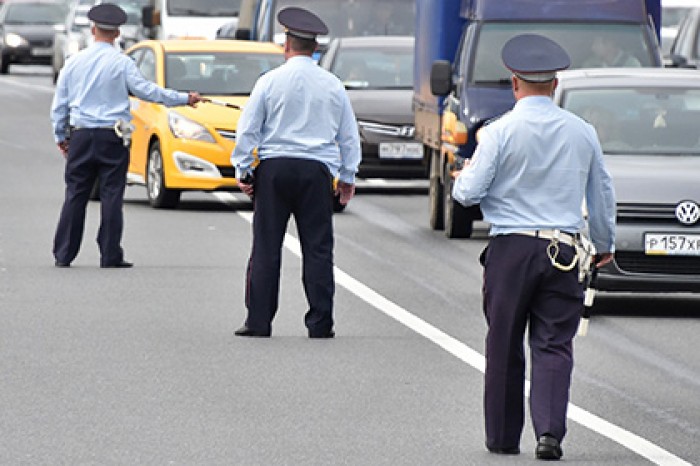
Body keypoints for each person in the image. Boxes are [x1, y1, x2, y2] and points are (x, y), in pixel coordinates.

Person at [452, 34, 616, 460]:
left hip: (510, 251)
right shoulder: (583, 132)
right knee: (553, 344)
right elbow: (601, 193)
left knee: (504, 342)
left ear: (514, 83)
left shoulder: (498, 132)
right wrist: (604, 243)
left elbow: (467, 194)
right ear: (555, 84)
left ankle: (505, 438)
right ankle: (549, 433)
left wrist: (464, 175)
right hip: (563, 251)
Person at [230, 7, 361, 338]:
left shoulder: (270, 81)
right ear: (314, 48)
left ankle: (258, 321)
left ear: (287, 45)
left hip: (274, 169)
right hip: (316, 171)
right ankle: (320, 323)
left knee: (266, 247)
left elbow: (248, 129)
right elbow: (348, 135)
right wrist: (347, 177)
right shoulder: (332, 85)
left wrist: (244, 170)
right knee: (317, 248)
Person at [50, 3, 202, 268]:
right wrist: (183, 98)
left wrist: (62, 136)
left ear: (93, 29)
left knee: (75, 194)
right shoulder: (122, 63)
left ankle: (64, 253)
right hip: (113, 136)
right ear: (117, 33)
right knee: (111, 195)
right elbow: (147, 92)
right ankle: (110, 254)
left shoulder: (73, 63)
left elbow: (59, 106)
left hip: (82, 135)